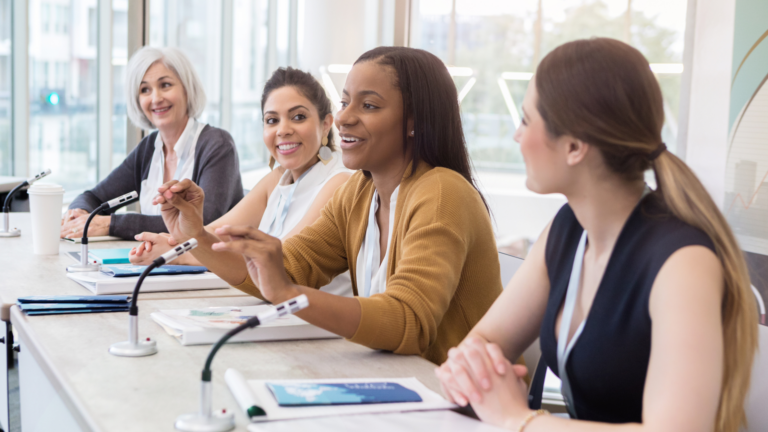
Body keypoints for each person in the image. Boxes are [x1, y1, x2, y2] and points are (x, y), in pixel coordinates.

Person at [435, 38, 758, 432]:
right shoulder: (567, 228)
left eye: (525, 120)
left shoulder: (683, 262)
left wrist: (519, 420)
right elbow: (484, 342)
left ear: (573, 147)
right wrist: (471, 372)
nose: (517, 137)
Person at [153, 46, 502, 364]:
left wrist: (290, 294)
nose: (345, 117)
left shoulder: (442, 193)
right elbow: (286, 268)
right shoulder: (359, 193)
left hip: (456, 404)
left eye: (368, 105)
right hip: (397, 382)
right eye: (345, 102)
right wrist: (196, 234)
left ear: (414, 121)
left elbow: (409, 322)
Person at [129, 67, 353, 296]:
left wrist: (179, 254)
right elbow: (218, 233)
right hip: (278, 315)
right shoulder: (278, 178)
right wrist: (173, 242)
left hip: (317, 325)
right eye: (272, 120)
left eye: (298, 117)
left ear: (326, 124)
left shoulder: (339, 183)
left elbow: (279, 265)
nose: (283, 130)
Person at [60, 46, 243, 240]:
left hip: (210, 269)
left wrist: (111, 224)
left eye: (165, 85)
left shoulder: (217, 145)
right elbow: (93, 198)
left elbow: (203, 223)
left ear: (187, 89)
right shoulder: (148, 149)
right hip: (160, 264)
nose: (156, 98)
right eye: (145, 90)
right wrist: (78, 214)